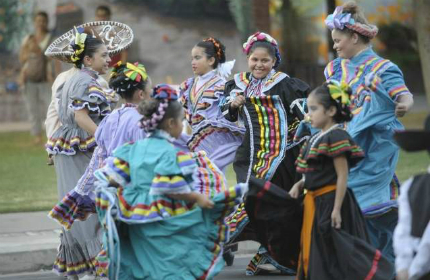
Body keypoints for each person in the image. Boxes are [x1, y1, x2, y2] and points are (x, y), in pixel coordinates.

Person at [93, 84, 247, 280]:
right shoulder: (168, 153)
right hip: (162, 213)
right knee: (167, 260)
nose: (183, 127)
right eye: (183, 122)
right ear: (172, 123)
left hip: (132, 213)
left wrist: (110, 198)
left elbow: (113, 178)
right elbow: (170, 187)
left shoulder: (132, 148)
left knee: (139, 259)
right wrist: (198, 198)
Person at [324, 2, 414, 263]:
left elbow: (403, 95)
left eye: (338, 40)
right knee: (350, 201)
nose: (335, 46)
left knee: (362, 203)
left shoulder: (383, 68)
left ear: (354, 36)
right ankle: (382, 259)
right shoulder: (335, 69)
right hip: (345, 143)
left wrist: (403, 106)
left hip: (375, 146)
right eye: (333, 41)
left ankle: (383, 258)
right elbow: (333, 103)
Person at [220, 32, 310, 275]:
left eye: (265, 61)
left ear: (274, 61)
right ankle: (225, 243)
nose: (259, 65)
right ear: (247, 58)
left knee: (272, 205)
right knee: (250, 202)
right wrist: (233, 105)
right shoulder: (237, 83)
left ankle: (274, 254)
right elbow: (226, 113)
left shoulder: (284, 84)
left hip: (281, 157)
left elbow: (305, 117)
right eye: (254, 60)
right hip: (249, 154)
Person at [289, 80, 394, 280]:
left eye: (313, 109)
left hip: (332, 202)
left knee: (334, 252)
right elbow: (316, 171)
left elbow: (342, 175)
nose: (308, 114)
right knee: (317, 249)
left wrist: (337, 209)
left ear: (330, 111)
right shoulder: (315, 137)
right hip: (316, 203)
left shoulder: (337, 136)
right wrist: (300, 184)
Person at [45, 27, 119, 279]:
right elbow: (80, 116)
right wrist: (104, 137)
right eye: (104, 55)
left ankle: (81, 270)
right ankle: (91, 268)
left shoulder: (74, 79)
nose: (109, 59)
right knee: (88, 204)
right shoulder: (86, 81)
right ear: (88, 59)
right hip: (80, 146)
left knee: (78, 203)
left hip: (69, 146)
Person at [48, 61, 151, 230]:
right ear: (141, 94)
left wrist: (81, 190)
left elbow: (99, 155)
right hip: (134, 192)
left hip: (112, 189)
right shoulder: (141, 122)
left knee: (115, 239)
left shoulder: (111, 117)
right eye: (150, 90)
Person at [180, 37, 244, 172]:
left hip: (216, 143)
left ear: (211, 60)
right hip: (195, 141)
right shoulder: (189, 85)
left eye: (197, 58)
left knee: (213, 177)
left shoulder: (221, 86)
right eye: (192, 58)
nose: (193, 62)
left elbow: (226, 116)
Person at [393, 114, 430, 280]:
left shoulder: (412, 185)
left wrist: (408, 269)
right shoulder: (412, 186)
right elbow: (403, 231)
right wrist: (405, 267)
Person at [19, 11, 59, 144]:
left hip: (45, 78)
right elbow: (23, 59)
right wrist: (31, 51)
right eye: (38, 20)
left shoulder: (50, 39)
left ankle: (52, 135)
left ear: (46, 22)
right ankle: (37, 136)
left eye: (43, 20)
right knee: (32, 109)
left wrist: (57, 77)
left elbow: (56, 60)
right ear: (34, 22)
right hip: (29, 78)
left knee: (51, 108)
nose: (41, 23)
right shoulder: (28, 38)